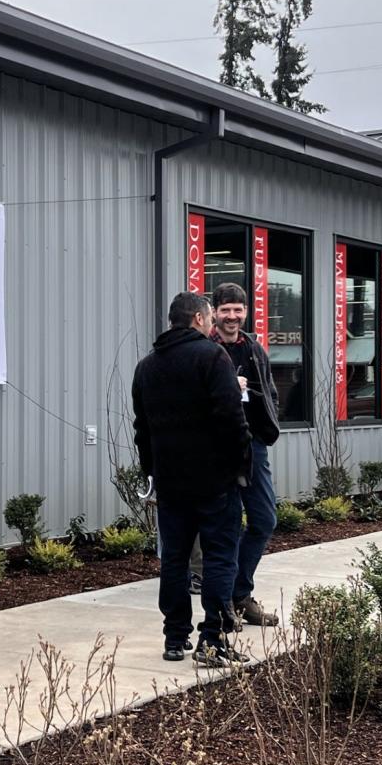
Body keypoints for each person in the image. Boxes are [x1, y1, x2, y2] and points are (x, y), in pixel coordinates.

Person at [133, 291, 250, 666]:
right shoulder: (213, 357)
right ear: (200, 319)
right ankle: (212, 638)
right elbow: (232, 418)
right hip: (215, 479)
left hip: (170, 480)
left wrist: (150, 471)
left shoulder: (146, 367)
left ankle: (174, 637)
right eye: (210, 317)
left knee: (175, 558)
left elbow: (142, 429)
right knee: (219, 557)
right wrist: (241, 467)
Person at [208, 282, 281, 628]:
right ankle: (225, 605)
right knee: (224, 526)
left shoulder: (253, 349)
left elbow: (269, 390)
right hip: (219, 450)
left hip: (254, 446)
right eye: (226, 310)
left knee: (264, 520)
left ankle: (240, 593)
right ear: (214, 311)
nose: (233, 316)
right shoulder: (206, 349)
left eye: (239, 310)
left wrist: (270, 421)